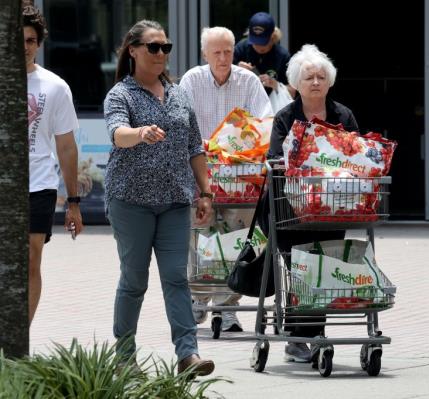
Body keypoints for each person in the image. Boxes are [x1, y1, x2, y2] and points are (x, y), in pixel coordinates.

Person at [103, 19, 214, 377]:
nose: (161, 53)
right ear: (133, 51)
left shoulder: (180, 94)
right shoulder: (121, 94)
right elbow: (117, 134)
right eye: (153, 47)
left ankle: (187, 355)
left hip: (175, 202)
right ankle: (123, 359)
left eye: (165, 47)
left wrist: (206, 192)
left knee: (176, 279)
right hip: (130, 201)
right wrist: (140, 132)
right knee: (134, 281)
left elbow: (194, 146)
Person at [264, 44, 359, 362]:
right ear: (296, 83)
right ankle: (301, 336)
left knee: (325, 265)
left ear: (329, 82)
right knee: (302, 268)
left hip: (332, 206)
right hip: (292, 207)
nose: (315, 82)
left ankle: (310, 335)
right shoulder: (285, 117)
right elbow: (274, 157)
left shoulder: (343, 115)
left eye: (321, 76)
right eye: (309, 77)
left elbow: (358, 154)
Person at [179, 26, 272, 333]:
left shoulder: (247, 81)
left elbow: (265, 119)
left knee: (238, 238)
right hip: (201, 172)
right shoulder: (192, 80)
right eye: (216, 52)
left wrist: (243, 144)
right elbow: (181, 122)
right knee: (199, 236)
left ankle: (228, 307)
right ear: (205, 54)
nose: (222, 58)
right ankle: (198, 298)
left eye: (228, 52)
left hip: (239, 175)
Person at [24, 4, 84, 325]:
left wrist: (73, 202)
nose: (24, 46)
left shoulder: (55, 87)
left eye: (30, 40)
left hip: (39, 185)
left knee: (32, 260)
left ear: (39, 43)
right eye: (16, 39)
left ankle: (20, 340)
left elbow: (66, 147)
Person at [234, 12, 296, 107]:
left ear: (272, 36)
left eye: (262, 42)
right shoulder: (241, 48)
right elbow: (221, 77)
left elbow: (292, 92)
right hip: (242, 106)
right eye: (254, 41)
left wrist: (274, 84)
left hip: (271, 108)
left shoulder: (282, 56)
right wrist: (236, 69)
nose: (258, 46)